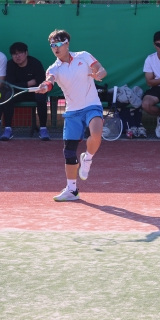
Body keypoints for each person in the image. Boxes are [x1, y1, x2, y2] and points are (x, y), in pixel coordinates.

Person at [36, 29, 107, 201]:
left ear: (67, 43)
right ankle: (72, 190)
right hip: (72, 112)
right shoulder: (53, 68)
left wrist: (99, 75)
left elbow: (101, 69)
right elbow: (50, 80)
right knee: (69, 152)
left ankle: (88, 158)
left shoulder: (84, 56)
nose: (55, 48)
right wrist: (45, 86)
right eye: (52, 45)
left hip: (91, 105)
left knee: (96, 134)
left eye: (58, 44)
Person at [0, 42, 50, 141]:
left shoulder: (36, 63)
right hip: (18, 92)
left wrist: (31, 85)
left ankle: (43, 129)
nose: (17, 56)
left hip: (35, 92)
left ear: (26, 53)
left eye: (20, 53)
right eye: (14, 54)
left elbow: (41, 81)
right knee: (7, 96)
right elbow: (11, 84)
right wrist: (28, 83)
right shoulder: (10, 64)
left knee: (41, 98)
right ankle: (7, 129)